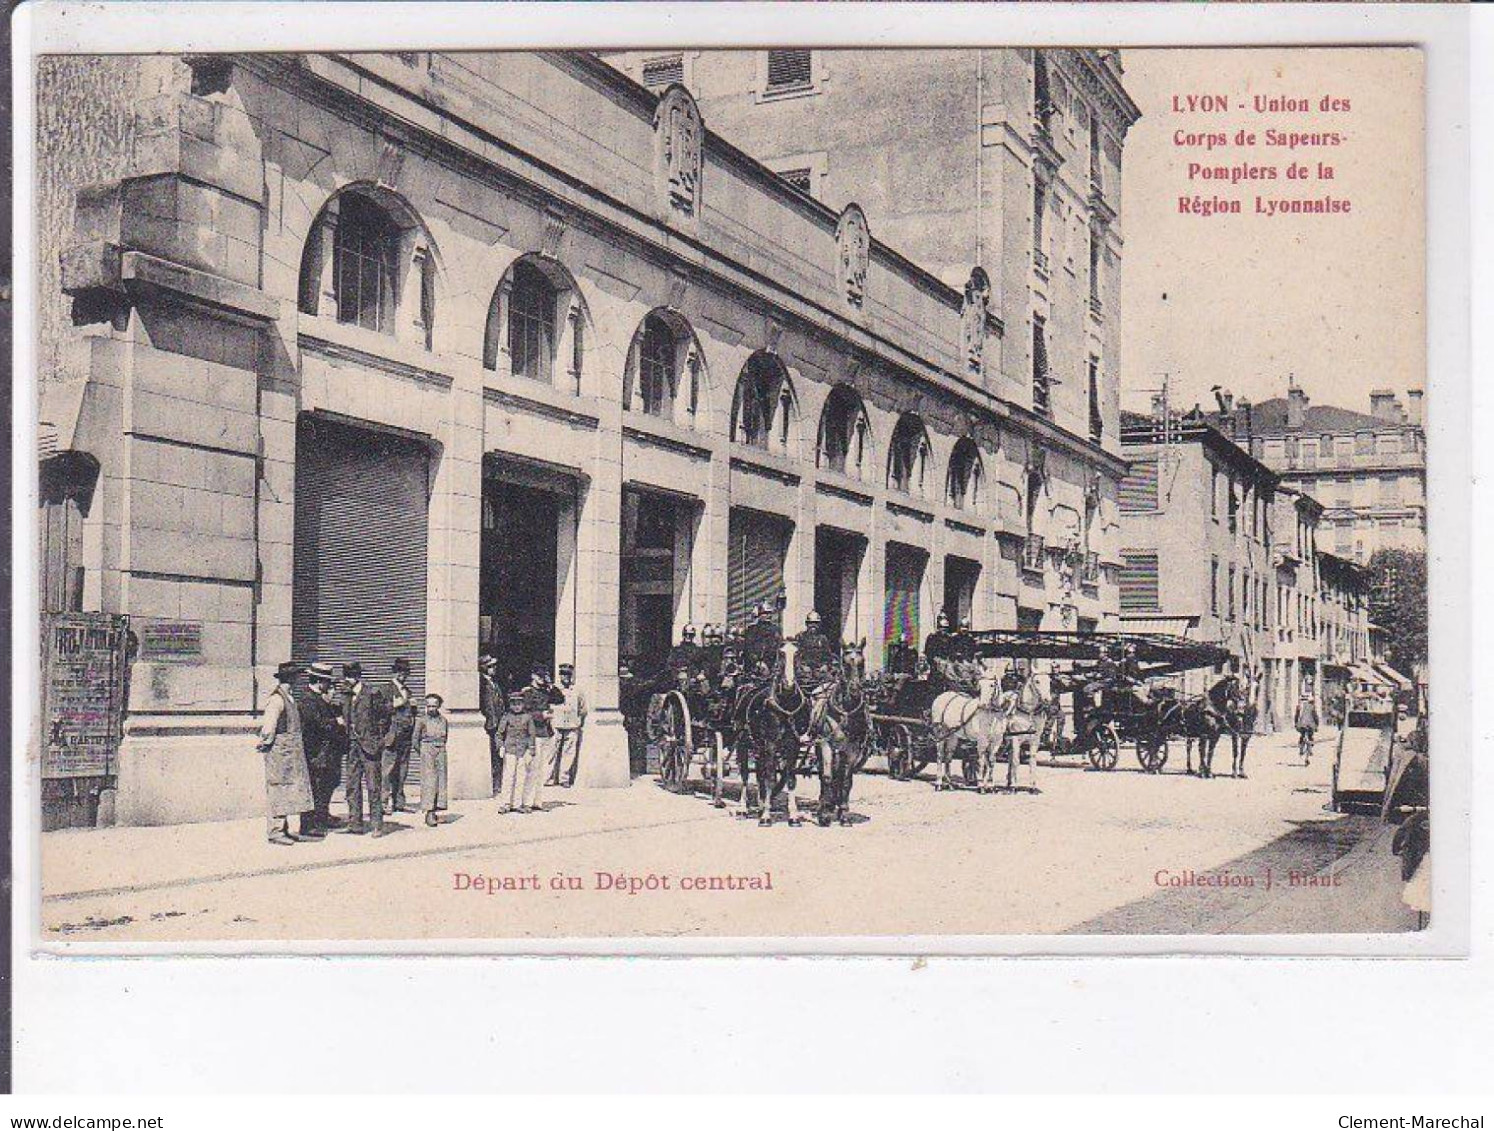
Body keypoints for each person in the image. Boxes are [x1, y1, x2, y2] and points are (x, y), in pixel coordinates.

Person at [255, 662, 315, 846]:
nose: (298, 679)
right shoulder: (277, 700)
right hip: (280, 751)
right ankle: (275, 831)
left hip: (290, 752)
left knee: (288, 790)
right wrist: (265, 742)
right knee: (278, 788)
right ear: (290, 678)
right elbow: (269, 726)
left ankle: (284, 829)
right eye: (296, 676)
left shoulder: (289, 697)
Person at [342, 662, 391, 838]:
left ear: (356, 677)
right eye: (345, 676)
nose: (346, 680)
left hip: (370, 747)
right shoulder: (346, 695)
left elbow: (385, 717)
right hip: (352, 746)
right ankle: (355, 823)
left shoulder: (372, 693)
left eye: (349, 676)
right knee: (352, 785)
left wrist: (378, 739)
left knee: (373, 786)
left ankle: (377, 824)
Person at [297, 662, 344, 838]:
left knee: (326, 785)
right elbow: (318, 725)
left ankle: (322, 817)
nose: (329, 686)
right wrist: (337, 723)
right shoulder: (308, 700)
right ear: (319, 681)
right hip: (315, 753)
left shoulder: (318, 699)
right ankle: (308, 826)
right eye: (327, 682)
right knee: (314, 788)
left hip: (325, 752)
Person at [522, 663, 565, 812]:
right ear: (533, 676)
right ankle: (526, 802)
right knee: (532, 769)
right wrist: (541, 715)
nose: (542, 679)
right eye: (540, 676)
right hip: (533, 733)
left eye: (544, 676)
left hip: (546, 732)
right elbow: (524, 714)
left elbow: (560, 699)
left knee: (542, 770)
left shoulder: (546, 691)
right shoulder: (527, 693)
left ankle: (537, 801)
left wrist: (551, 684)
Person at [382, 658, 416, 814]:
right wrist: (394, 705)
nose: (403, 675)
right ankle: (383, 803)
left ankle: (399, 802)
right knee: (387, 770)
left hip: (405, 737)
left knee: (402, 770)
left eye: (405, 672)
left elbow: (412, 712)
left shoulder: (408, 691)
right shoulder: (386, 690)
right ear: (394, 672)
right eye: (400, 672)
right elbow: (379, 711)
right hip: (391, 736)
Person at [496, 689, 539, 814]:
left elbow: (531, 734)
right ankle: (506, 803)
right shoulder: (506, 717)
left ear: (523, 704)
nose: (516, 707)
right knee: (509, 776)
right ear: (510, 705)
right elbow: (499, 734)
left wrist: (532, 750)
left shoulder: (528, 717)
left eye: (519, 704)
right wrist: (501, 746)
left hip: (523, 750)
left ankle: (519, 803)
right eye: (514, 704)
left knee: (522, 776)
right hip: (510, 749)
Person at [412, 692, 449, 828]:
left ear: (439, 706)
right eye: (429, 706)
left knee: (441, 781)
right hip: (427, 750)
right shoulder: (421, 720)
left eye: (434, 706)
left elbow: (445, 737)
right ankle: (429, 812)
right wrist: (423, 752)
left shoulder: (444, 720)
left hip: (441, 750)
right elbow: (415, 740)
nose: (431, 709)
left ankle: (437, 808)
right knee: (429, 781)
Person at [549, 663, 588, 788]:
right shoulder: (553, 689)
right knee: (552, 752)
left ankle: (564, 779)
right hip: (556, 723)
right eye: (563, 674)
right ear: (559, 675)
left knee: (569, 753)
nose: (566, 677)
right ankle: (549, 778)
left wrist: (579, 721)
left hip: (572, 724)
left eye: (568, 674)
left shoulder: (577, 690)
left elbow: (583, 708)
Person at [479, 654, 505, 793]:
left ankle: (498, 784)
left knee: (498, 754)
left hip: (497, 725)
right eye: (490, 666)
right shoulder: (482, 684)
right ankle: (495, 785)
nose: (494, 668)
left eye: (494, 666)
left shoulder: (493, 683)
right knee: (494, 755)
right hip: (491, 725)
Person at [1294, 687, 1320, 765]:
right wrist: (1317, 724)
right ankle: (1310, 749)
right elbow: (1315, 716)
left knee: (1302, 736)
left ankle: (1301, 748)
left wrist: (1295, 723)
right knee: (1310, 736)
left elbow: (1296, 716)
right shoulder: (1312, 707)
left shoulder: (1299, 706)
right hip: (1310, 725)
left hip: (1301, 725)